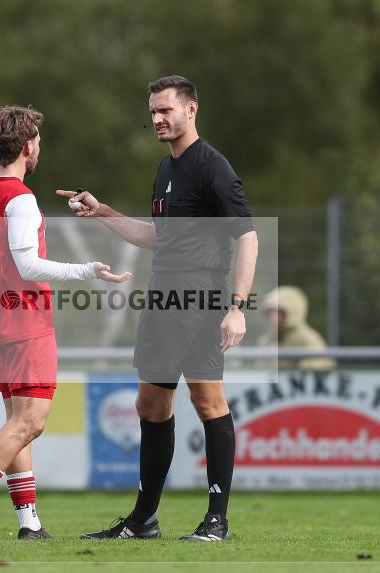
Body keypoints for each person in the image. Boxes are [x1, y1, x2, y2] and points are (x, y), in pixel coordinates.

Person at [58, 75, 258, 542]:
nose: (157, 119)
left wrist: (237, 308)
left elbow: (247, 236)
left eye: (166, 110)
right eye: (152, 112)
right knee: (150, 404)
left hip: (200, 298)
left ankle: (216, 521)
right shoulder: (166, 170)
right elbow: (157, 238)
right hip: (164, 297)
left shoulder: (213, 167)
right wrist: (103, 211)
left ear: (191, 110)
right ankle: (143, 520)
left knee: (208, 401)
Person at [0, 106, 130, 541]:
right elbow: (28, 266)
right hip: (26, 319)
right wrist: (88, 270)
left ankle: (30, 523)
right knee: (32, 421)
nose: (39, 147)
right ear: (28, 147)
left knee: (16, 420)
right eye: (38, 141)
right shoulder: (20, 197)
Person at [258, 285, 335, 370]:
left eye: (279, 312)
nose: (273, 317)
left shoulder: (309, 340)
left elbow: (312, 372)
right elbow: (260, 370)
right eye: (270, 312)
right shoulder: (267, 340)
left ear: (293, 311)